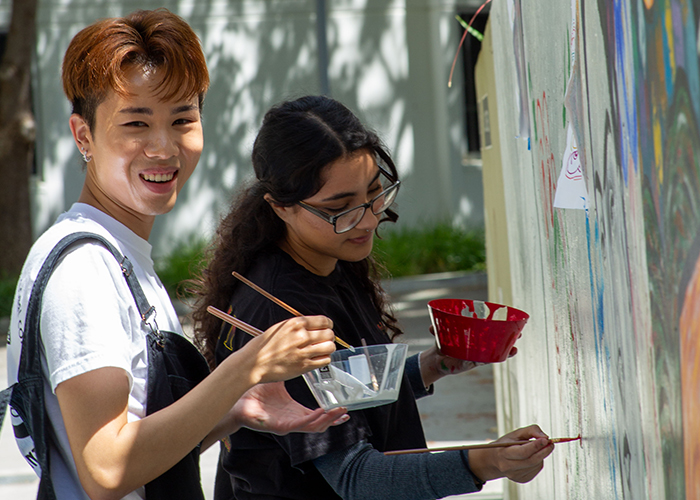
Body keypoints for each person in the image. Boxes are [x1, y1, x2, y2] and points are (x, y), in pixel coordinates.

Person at [5, 11, 348, 500]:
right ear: (83, 135)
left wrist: (233, 408)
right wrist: (243, 369)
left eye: (183, 119)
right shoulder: (84, 269)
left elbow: (140, 448)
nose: (163, 147)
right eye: (136, 123)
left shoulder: (119, 254)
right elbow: (105, 470)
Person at [190, 95, 555, 500]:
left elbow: (351, 392)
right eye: (340, 208)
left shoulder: (332, 257)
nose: (367, 219)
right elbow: (354, 477)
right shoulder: (282, 317)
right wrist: (484, 462)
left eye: (374, 193)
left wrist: (432, 367)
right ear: (280, 208)